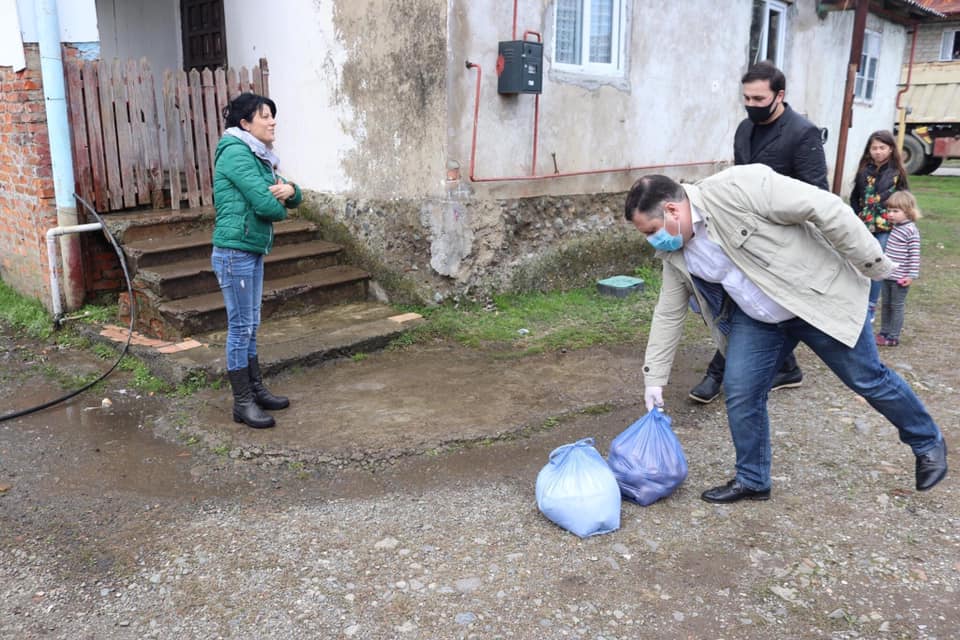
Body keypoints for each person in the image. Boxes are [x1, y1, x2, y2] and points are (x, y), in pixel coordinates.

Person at [625, 164, 947, 503]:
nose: (652, 241)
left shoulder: (738, 187)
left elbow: (824, 207)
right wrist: (654, 379)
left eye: (652, 230)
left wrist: (873, 263)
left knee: (867, 378)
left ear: (673, 209)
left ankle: (927, 442)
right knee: (741, 389)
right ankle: (753, 479)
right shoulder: (675, 252)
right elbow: (668, 313)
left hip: (813, 299)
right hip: (758, 319)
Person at [689, 61, 828, 405]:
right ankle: (788, 367)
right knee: (749, 302)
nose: (751, 104)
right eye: (746, 98)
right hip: (744, 236)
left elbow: (817, 194)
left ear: (779, 95)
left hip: (784, 240)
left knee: (746, 305)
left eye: (758, 98)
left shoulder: (802, 133)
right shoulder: (743, 130)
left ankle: (716, 374)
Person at [212, 93, 302, 429]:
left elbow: (289, 191)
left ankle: (256, 389)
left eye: (272, 115)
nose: (272, 121)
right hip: (234, 251)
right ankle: (243, 402)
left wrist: (291, 191)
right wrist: (282, 199)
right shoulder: (236, 153)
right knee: (240, 328)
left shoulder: (259, 156)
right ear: (245, 123)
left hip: (250, 247)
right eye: (264, 115)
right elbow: (267, 204)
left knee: (251, 326)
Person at [850, 130, 909, 323]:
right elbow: (855, 196)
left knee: (877, 264)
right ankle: (855, 303)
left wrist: (899, 219)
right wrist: (858, 213)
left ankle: (870, 307)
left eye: (882, 148)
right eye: (874, 148)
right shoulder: (863, 170)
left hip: (886, 227)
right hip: (865, 225)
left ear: (891, 149)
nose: (878, 152)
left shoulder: (896, 172)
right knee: (860, 263)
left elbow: (904, 198)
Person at [876, 191, 922, 347]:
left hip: (900, 278)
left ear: (908, 211)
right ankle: (884, 331)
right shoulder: (895, 227)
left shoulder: (911, 231)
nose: (891, 214)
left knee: (896, 306)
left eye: (896, 211)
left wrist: (911, 276)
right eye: (889, 210)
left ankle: (893, 336)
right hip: (888, 275)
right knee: (885, 305)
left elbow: (914, 255)